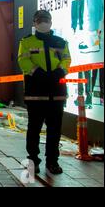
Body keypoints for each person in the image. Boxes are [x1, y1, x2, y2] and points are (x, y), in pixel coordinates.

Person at [18, 10, 71, 175]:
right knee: (34, 129)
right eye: (40, 20)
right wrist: (38, 73)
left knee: (54, 130)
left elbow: (67, 59)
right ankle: (33, 160)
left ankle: (52, 162)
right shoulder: (26, 42)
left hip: (56, 94)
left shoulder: (60, 42)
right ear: (34, 23)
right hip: (36, 93)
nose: (43, 22)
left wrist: (60, 72)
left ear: (51, 22)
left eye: (46, 20)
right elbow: (23, 60)